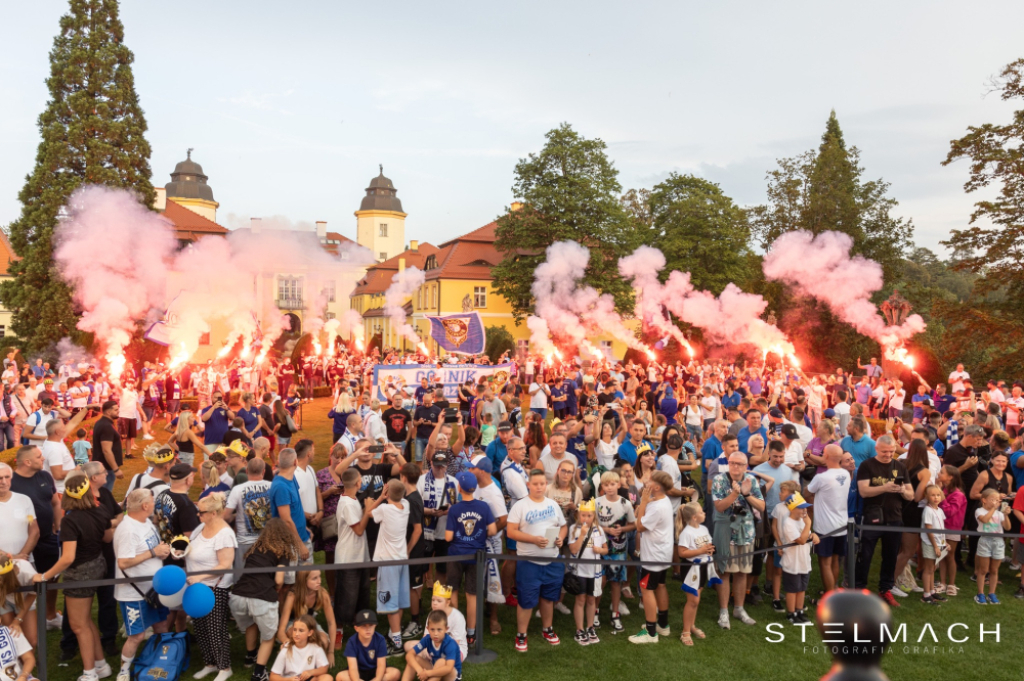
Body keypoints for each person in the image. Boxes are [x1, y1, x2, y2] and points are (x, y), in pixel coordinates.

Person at [33, 473, 114, 681]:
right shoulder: (100, 509)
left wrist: (45, 576)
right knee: (85, 621)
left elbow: (67, 558)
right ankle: (100, 665)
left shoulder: (70, 520)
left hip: (80, 573)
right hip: (98, 565)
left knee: (78, 625)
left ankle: (89, 673)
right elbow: (107, 537)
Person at [229, 517, 299, 681]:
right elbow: (280, 579)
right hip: (261, 597)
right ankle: (259, 673)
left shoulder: (255, 548)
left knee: (251, 624)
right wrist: (276, 588)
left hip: (238, 596)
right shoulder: (283, 551)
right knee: (268, 637)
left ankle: (250, 657)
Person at [113, 488, 171, 681]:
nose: (154, 504)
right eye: (152, 501)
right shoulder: (128, 530)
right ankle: (124, 670)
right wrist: (154, 552)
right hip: (134, 593)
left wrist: (162, 551)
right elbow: (124, 562)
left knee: (162, 626)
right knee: (136, 635)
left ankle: (160, 663)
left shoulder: (145, 522)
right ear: (144, 505)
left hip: (154, 589)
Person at [506, 468, 567, 652]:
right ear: (528, 485)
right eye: (535, 484)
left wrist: (561, 538)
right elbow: (511, 532)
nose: (539, 487)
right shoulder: (520, 506)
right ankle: (521, 634)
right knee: (526, 600)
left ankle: (547, 629)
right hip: (528, 561)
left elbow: (563, 526)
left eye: (542, 484)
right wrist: (533, 539)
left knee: (549, 598)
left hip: (552, 560)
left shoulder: (553, 504)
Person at [854, 435, 914, 607]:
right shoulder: (867, 465)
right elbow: (864, 491)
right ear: (877, 449)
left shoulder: (900, 466)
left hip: (894, 517)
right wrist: (885, 487)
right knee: (865, 555)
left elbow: (911, 494)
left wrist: (902, 490)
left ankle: (885, 589)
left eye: (892, 451)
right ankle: (860, 589)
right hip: (872, 517)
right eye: (885, 452)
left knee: (890, 556)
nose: (888, 455)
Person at [711, 450, 765, 629]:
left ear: (746, 466)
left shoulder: (752, 480)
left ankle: (739, 608)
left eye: (739, 464)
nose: (735, 466)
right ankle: (724, 610)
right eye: (732, 463)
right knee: (725, 571)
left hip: (746, 532)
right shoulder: (719, 480)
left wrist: (747, 494)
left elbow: (762, 506)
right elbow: (719, 507)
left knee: (742, 572)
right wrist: (734, 494)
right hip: (725, 531)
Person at [186, 492, 237, 681]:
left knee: (215, 629)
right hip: (196, 587)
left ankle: (225, 667)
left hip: (214, 588)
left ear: (214, 513)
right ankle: (210, 663)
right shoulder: (201, 527)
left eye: (201, 512)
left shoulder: (224, 534)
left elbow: (225, 565)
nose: (198, 515)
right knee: (200, 627)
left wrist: (201, 576)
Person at [444, 471, 496, 645]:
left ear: (459, 488)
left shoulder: (455, 509)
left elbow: (448, 537)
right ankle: (471, 633)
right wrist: (479, 536)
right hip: (476, 556)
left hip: (456, 554)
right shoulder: (484, 507)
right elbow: (493, 530)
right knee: (472, 594)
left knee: (453, 591)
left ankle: (454, 630)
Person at [628, 470, 676, 644]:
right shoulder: (663, 501)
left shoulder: (656, 506)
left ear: (656, 487)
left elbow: (639, 526)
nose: (645, 482)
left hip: (653, 556)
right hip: (663, 554)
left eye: (649, 481)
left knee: (647, 589)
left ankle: (650, 632)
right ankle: (663, 625)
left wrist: (642, 503)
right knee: (661, 585)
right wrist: (647, 502)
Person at [372, 478, 412, 656]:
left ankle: (396, 643)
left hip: (388, 562)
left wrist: (380, 497)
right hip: (402, 560)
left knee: (389, 604)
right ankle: (393, 634)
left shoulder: (384, 509)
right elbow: (400, 495)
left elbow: (368, 513)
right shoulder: (406, 506)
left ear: (387, 492)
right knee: (399, 600)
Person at [805, 444, 850, 593]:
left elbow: (806, 492)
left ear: (826, 457)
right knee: (835, 560)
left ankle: (829, 595)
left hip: (825, 527)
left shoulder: (821, 477)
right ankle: (833, 590)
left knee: (825, 562)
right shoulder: (846, 474)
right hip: (841, 524)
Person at [595, 470, 635, 633]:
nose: (609, 488)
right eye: (606, 485)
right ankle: (595, 611)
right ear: (602, 486)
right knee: (600, 580)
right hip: (600, 547)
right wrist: (606, 529)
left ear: (619, 485)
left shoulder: (626, 503)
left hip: (619, 548)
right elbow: (590, 523)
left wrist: (622, 528)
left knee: (616, 581)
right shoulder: (597, 502)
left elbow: (633, 524)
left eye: (613, 484)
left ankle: (615, 613)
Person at [566, 498, 607, 646]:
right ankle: (579, 629)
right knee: (580, 599)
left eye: (589, 515)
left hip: (594, 571)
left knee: (591, 600)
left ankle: (590, 627)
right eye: (583, 515)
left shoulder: (599, 529)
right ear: (578, 515)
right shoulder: (574, 529)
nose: (586, 518)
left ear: (594, 516)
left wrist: (600, 550)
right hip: (580, 571)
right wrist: (582, 534)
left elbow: (606, 548)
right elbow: (573, 550)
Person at [676, 501, 716, 646]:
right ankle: (685, 631)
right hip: (691, 569)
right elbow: (682, 552)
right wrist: (701, 551)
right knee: (693, 600)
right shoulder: (687, 533)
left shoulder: (703, 529)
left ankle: (691, 625)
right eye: (701, 512)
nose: (704, 513)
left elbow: (708, 545)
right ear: (694, 517)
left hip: (704, 567)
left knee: (696, 600)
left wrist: (711, 550)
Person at [270, 448, 313, 583]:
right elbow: (286, 520)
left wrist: (305, 529)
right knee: (289, 585)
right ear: (295, 462)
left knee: (307, 581)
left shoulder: (291, 477)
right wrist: (300, 544)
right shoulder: (281, 486)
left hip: (301, 536)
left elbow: (296, 507)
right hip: (290, 544)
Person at [278, 570, 338, 664]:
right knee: (301, 639)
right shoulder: (293, 595)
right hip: (292, 623)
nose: (319, 581)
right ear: (304, 581)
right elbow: (281, 630)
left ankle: (308, 662)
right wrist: (287, 642)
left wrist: (331, 652)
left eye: (319, 576)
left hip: (309, 622)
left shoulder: (322, 594)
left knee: (323, 642)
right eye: (314, 578)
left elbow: (331, 623)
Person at [224, 457, 273, 571]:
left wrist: (235, 516)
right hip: (267, 541)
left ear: (246, 471)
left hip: (244, 542)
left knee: (242, 581)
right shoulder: (272, 487)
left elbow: (226, 516)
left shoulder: (238, 489)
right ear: (264, 471)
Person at [780, 492, 819, 624]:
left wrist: (813, 534)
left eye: (805, 507)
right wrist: (809, 524)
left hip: (804, 562)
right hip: (792, 564)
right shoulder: (788, 523)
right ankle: (791, 614)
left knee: (802, 588)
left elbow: (807, 536)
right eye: (801, 507)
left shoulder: (803, 521)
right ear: (792, 509)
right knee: (792, 589)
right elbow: (801, 540)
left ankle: (799, 611)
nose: (805, 510)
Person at [338, 610, 400, 681]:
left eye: (371, 625)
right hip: (358, 670)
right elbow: (353, 668)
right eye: (364, 626)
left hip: (375, 669)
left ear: (375, 626)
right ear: (356, 628)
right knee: (340, 677)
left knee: (395, 673)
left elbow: (381, 665)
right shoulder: (352, 642)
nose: (368, 629)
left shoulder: (380, 639)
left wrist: (377, 679)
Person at [974, 488, 1011, 605]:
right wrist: (994, 509)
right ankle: (980, 593)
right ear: (984, 500)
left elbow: (1008, 527)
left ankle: (992, 593)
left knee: (994, 570)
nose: (996, 501)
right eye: (993, 499)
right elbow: (984, 520)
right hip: (985, 541)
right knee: (983, 569)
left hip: (998, 542)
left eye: (997, 500)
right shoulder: (979, 511)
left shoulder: (999, 513)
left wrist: (1005, 515)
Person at [401, 610, 460, 681]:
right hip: (434, 670)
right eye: (432, 629)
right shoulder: (427, 639)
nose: (435, 633)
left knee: (441, 662)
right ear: (428, 629)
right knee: (415, 659)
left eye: (439, 630)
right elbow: (409, 655)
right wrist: (419, 670)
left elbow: (448, 668)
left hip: (450, 676)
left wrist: (427, 673)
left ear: (446, 629)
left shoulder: (450, 644)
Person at [270, 614, 331, 681]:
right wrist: (289, 680)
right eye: (295, 630)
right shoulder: (286, 648)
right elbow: (273, 676)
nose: (296, 634)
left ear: (310, 633)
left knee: (327, 678)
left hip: (306, 678)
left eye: (301, 630)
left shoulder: (315, 647)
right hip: (291, 679)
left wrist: (311, 672)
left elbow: (324, 668)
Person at [919, 484, 948, 605]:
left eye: (938, 495)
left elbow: (941, 528)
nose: (936, 497)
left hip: (938, 543)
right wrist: (935, 546)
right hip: (930, 543)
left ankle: (931, 591)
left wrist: (944, 543)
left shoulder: (939, 510)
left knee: (933, 568)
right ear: (927, 496)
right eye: (932, 495)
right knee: (929, 568)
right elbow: (929, 529)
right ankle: (926, 594)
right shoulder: (928, 510)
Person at [92, 400, 124, 491]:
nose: (118, 411)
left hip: (102, 466)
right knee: (104, 495)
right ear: (108, 412)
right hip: (106, 468)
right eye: (116, 410)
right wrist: (116, 469)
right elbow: (106, 450)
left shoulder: (102, 423)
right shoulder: (106, 426)